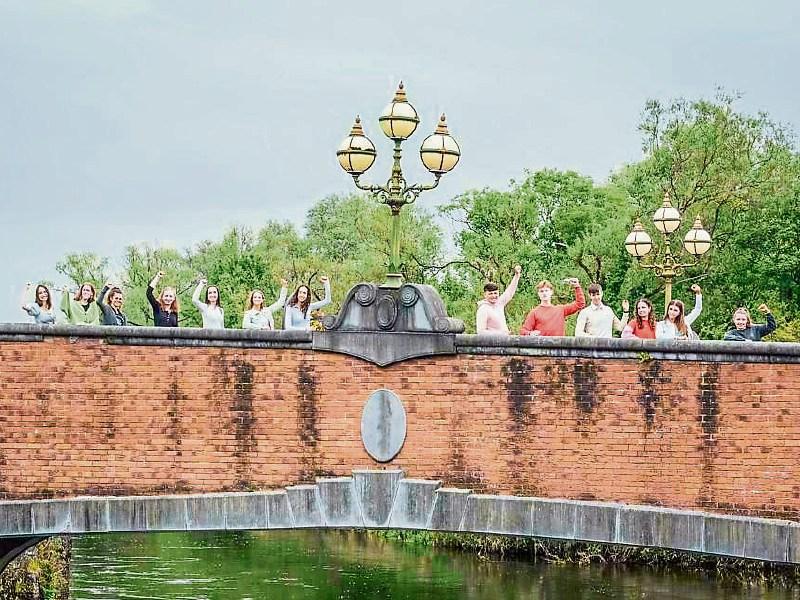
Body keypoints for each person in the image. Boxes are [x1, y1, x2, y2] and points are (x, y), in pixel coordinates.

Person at [520, 278, 585, 337]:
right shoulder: (534, 312)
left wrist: (577, 286)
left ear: (551, 292)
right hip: (541, 348)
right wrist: (530, 333)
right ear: (538, 294)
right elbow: (523, 331)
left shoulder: (560, 310)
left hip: (559, 347)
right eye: (541, 291)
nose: (544, 293)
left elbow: (580, 303)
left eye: (546, 291)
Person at [476, 265, 522, 334]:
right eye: (490, 294)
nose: (493, 296)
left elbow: (509, 292)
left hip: (504, 342)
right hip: (491, 343)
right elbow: (481, 331)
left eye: (495, 293)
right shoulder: (483, 309)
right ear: (485, 295)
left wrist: (516, 276)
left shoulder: (499, 304)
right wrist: (501, 334)